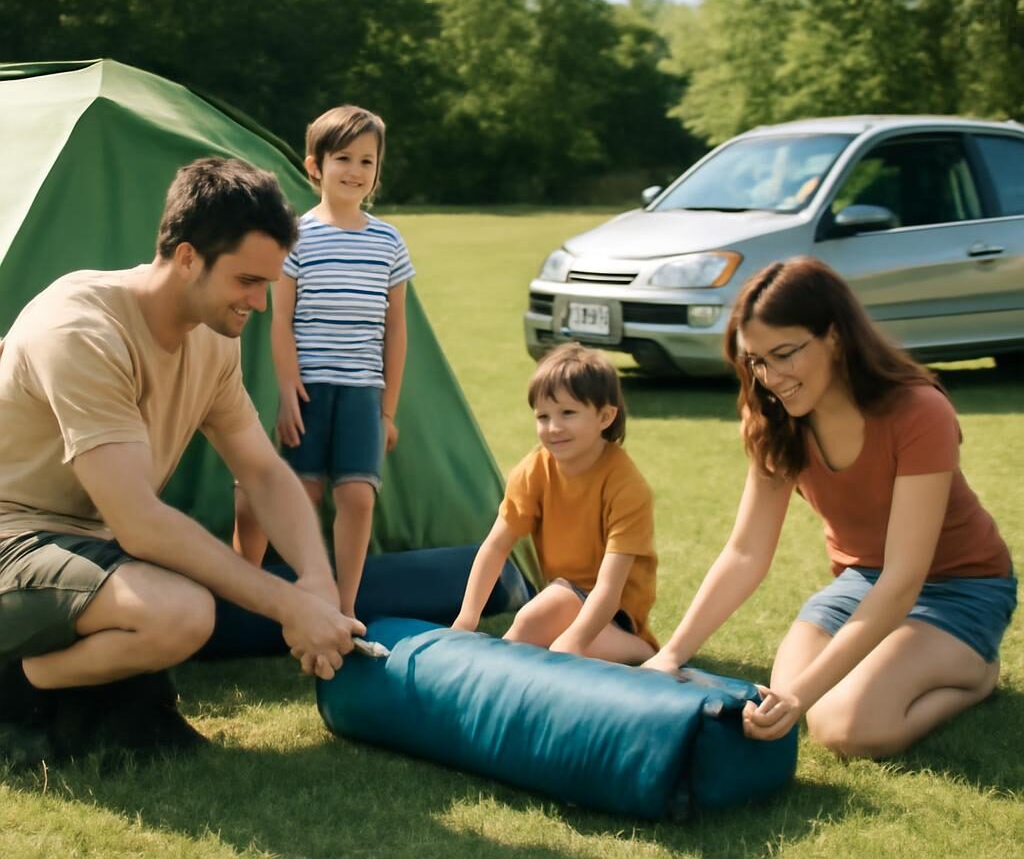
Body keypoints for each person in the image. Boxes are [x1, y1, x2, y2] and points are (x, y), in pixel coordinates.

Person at [0, 157, 364, 765]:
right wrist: (286, 606)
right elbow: (141, 522)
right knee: (181, 610)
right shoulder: (81, 330)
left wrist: (317, 585)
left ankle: (77, 696)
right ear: (189, 256)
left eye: (268, 284)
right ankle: (14, 692)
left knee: (185, 592)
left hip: (87, 550)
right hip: (14, 540)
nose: (262, 303)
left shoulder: (214, 336)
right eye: (248, 281)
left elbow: (263, 470)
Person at [643, 257, 1017, 757]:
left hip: (959, 588)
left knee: (847, 729)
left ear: (835, 337)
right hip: (859, 583)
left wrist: (802, 695)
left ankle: (976, 673)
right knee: (784, 705)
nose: (770, 377)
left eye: (784, 354)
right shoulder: (773, 420)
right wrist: (672, 654)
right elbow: (746, 552)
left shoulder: (920, 412)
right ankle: (898, 663)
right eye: (755, 360)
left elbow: (905, 576)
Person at [233, 105, 413, 619]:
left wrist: (387, 411)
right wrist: (287, 389)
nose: (355, 171)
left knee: (357, 497)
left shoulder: (388, 242)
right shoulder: (296, 237)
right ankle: (301, 601)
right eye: (342, 159)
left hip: (362, 392)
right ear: (315, 167)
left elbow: (396, 330)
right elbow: (279, 321)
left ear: (378, 171)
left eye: (366, 161)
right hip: (309, 389)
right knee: (303, 495)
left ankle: (344, 605)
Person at [453, 343, 658, 663]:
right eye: (543, 416)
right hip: (562, 595)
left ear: (605, 416)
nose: (553, 428)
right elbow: (495, 547)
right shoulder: (533, 470)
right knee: (540, 617)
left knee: (549, 621)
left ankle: (643, 650)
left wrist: (574, 640)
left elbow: (609, 586)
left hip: (614, 614)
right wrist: (467, 619)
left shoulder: (627, 487)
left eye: (568, 413)